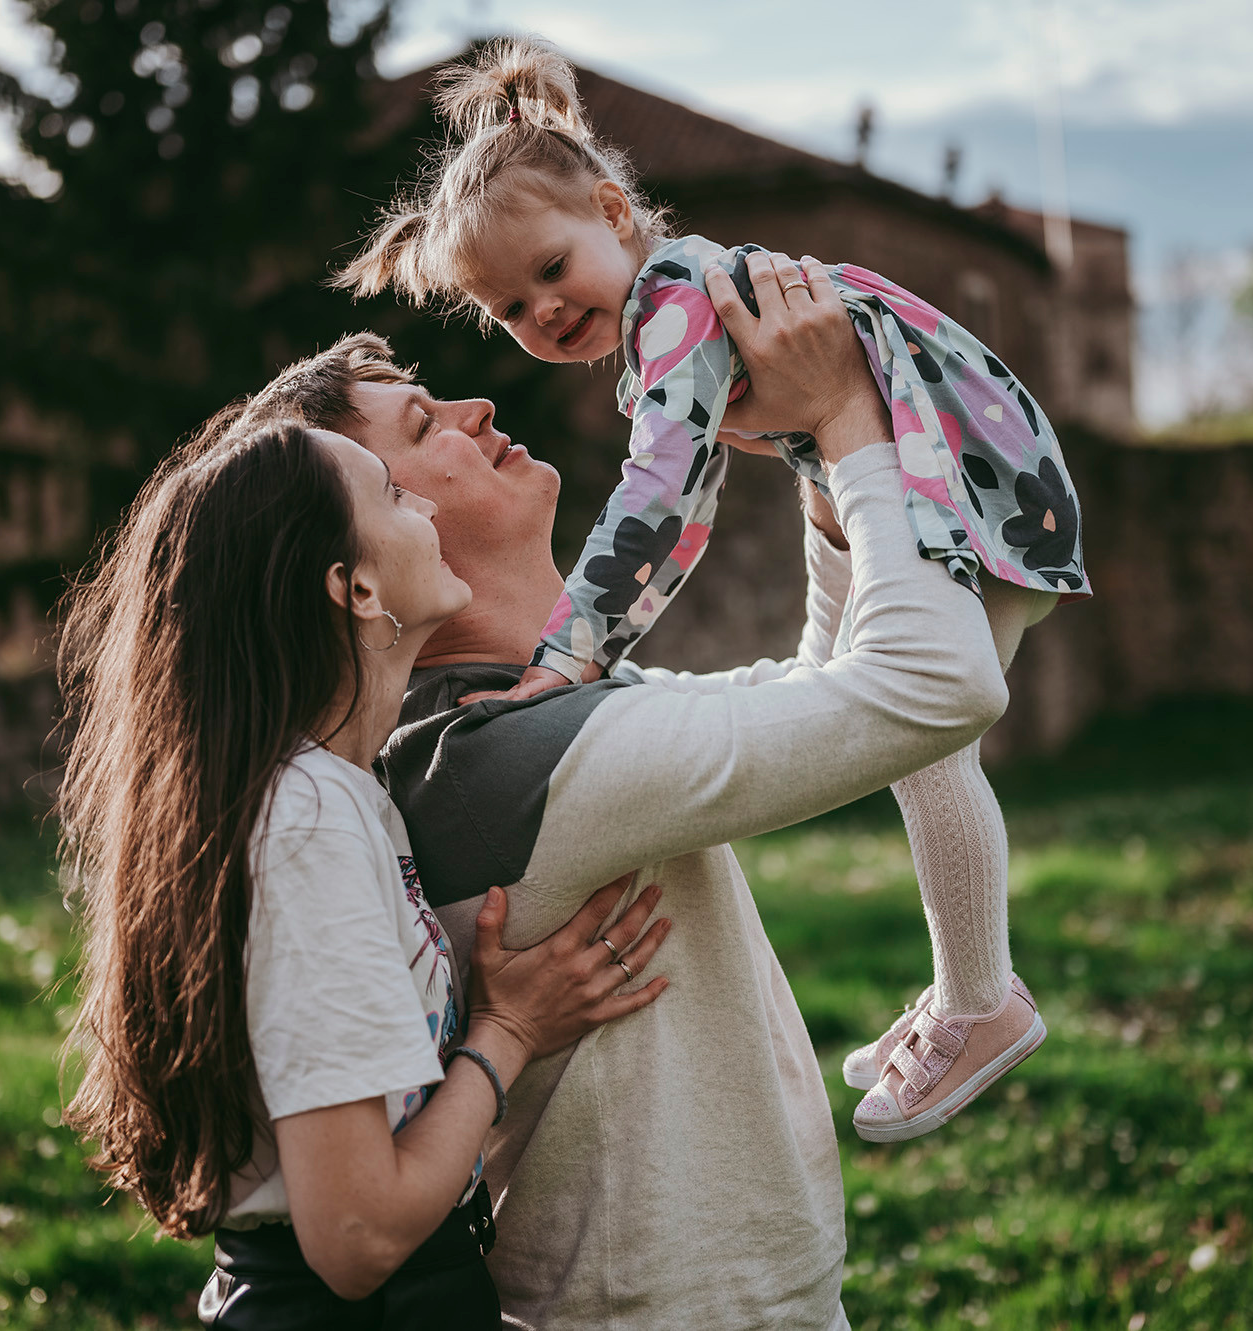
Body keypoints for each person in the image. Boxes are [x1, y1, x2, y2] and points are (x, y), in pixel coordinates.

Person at [239, 245, 1024, 1325]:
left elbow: (817, 692)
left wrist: (822, 479)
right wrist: (848, 411)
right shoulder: (503, 757)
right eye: (419, 431)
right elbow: (931, 686)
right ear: (360, 550)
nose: (473, 405)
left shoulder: (529, 722)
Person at [336, 36, 1081, 1143]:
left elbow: (654, 497)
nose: (539, 315)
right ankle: (968, 988)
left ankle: (979, 999)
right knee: (907, 737)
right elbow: (683, 519)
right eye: (506, 310)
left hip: (959, 466)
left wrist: (570, 650)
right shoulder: (670, 321)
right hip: (969, 460)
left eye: (549, 270)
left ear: (613, 212)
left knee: (925, 740)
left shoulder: (674, 300)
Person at [53, 411, 672, 1328]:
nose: (419, 499)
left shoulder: (340, 792)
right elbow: (358, 1236)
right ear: (355, 588)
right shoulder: (307, 820)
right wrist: (506, 1031)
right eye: (390, 494)